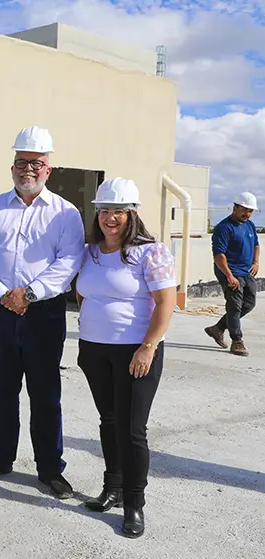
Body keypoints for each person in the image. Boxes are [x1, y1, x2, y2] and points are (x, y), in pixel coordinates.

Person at [0, 126, 84, 499]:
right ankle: (0, 458)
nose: (27, 169)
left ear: (49, 169)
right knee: (2, 390)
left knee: (45, 393)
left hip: (44, 314)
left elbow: (69, 260)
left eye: (36, 163)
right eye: (21, 162)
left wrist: (31, 293)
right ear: (12, 166)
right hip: (1, 312)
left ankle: (50, 469)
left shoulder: (65, 214)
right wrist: (3, 294)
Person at [76, 178, 176, 539]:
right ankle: (113, 488)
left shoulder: (152, 252)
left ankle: (134, 503)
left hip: (136, 351)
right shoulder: (90, 251)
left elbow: (166, 304)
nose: (110, 218)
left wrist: (147, 346)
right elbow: (86, 294)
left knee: (133, 431)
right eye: (104, 211)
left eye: (119, 211)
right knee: (109, 420)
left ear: (132, 213)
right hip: (94, 349)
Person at [205, 192, 259, 357]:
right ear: (235, 207)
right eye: (244, 210)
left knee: (249, 303)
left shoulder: (249, 225)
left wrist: (256, 262)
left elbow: (256, 244)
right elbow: (219, 255)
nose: (247, 214)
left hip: (245, 271)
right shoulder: (224, 227)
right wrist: (229, 276)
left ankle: (218, 328)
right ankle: (237, 341)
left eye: (251, 211)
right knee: (234, 305)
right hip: (229, 271)